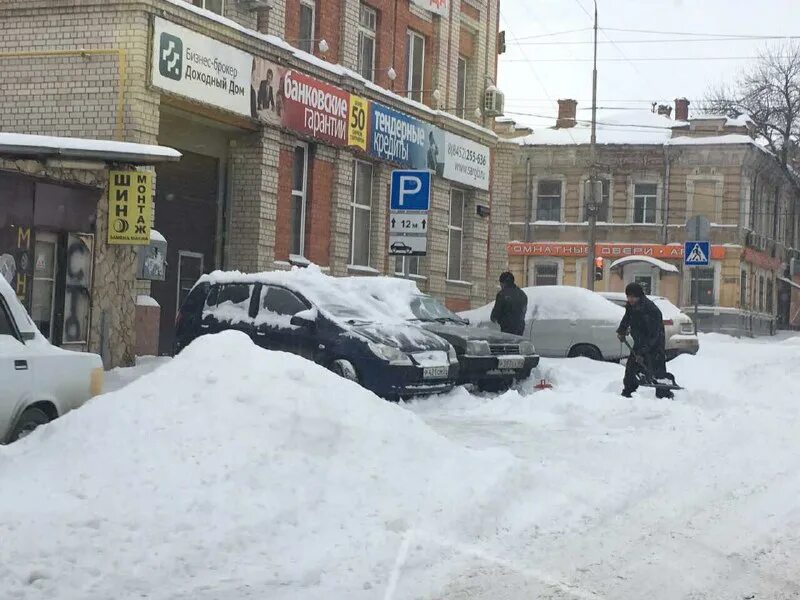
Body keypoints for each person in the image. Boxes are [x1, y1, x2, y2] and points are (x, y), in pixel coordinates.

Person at [617, 282, 673, 399]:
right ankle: (628, 392)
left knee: (657, 371)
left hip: (655, 344)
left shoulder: (651, 310)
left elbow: (654, 334)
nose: (630, 299)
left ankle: (664, 395)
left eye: (633, 296)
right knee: (631, 369)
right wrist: (621, 330)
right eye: (628, 296)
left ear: (639, 296)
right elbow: (627, 318)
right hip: (639, 342)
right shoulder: (631, 306)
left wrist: (643, 351)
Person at [490, 272, 528, 336]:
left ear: (503, 283)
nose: (500, 285)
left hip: (507, 328)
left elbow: (497, 311)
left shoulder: (502, 294)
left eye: (501, 283)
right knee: (517, 344)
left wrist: (493, 317)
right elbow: (524, 310)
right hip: (520, 327)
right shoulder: (522, 294)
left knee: (507, 344)